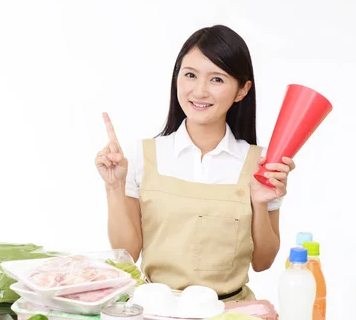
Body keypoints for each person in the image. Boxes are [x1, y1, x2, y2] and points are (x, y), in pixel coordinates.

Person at [95, 25, 296, 302]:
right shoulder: (141, 156)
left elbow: (263, 262)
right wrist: (114, 187)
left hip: (229, 317)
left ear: (242, 90)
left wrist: (260, 203)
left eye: (217, 79)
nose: (200, 91)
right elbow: (127, 254)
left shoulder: (260, 163)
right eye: (190, 75)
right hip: (157, 312)